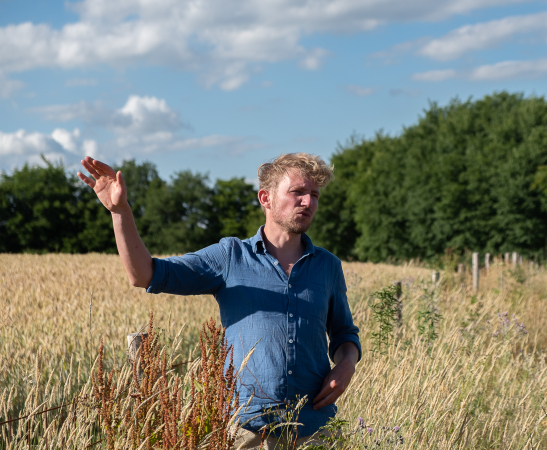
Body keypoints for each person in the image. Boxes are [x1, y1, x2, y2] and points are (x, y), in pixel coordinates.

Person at [77, 153, 361, 449]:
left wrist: (347, 365)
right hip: (248, 433)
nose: (308, 202)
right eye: (297, 193)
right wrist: (120, 211)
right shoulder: (230, 258)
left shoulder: (327, 266)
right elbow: (145, 274)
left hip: (315, 429)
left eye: (314, 195)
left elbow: (344, 334)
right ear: (266, 198)